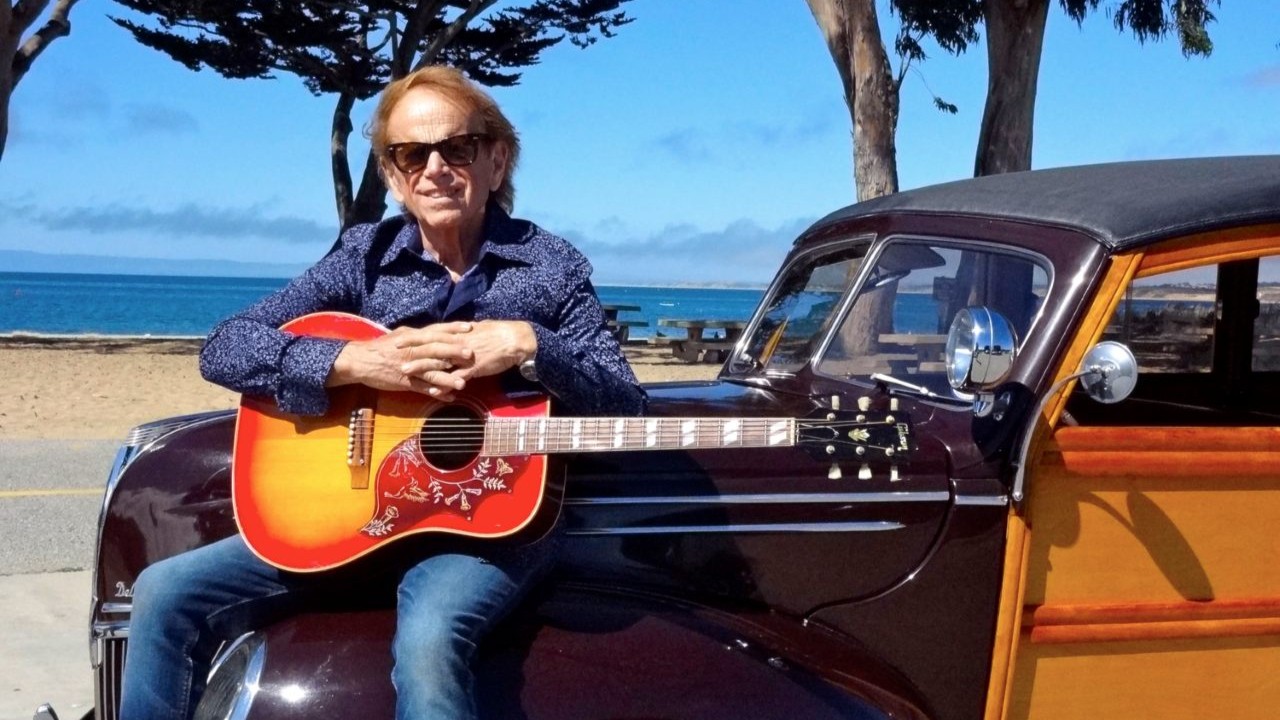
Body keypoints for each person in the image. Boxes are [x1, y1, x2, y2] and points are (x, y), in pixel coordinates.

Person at [119, 65, 646, 720]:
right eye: (410, 154)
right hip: (354, 517)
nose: (435, 169)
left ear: (496, 157)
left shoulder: (551, 266)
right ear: (393, 175)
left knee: (429, 640)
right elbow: (224, 347)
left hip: (489, 532)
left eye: (457, 148)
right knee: (162, 590)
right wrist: (353, 361)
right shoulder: (362, 257)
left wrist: (533, 346)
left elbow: (625, 406)